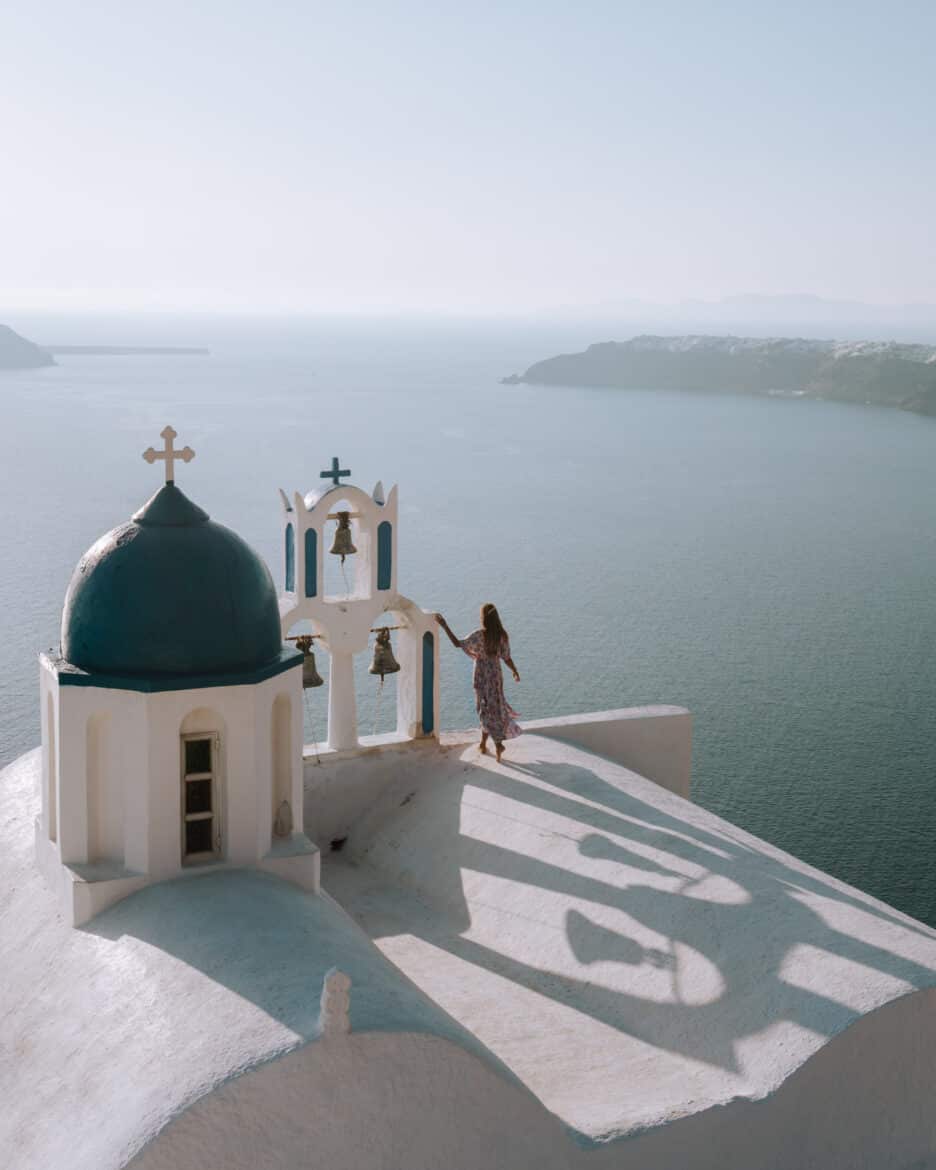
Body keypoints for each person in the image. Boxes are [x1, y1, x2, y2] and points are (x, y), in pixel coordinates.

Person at [436, 603, 521, 763]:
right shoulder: (501, 636)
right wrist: (514, 670)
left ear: (484, 619)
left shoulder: (479, 635)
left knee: (484, 709)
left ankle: (496, 743)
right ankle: (485, 743)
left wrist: (444, 625)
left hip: (482, 676)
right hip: (495, 676)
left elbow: (457, 643)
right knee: (494, 709)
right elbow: (506, 657)